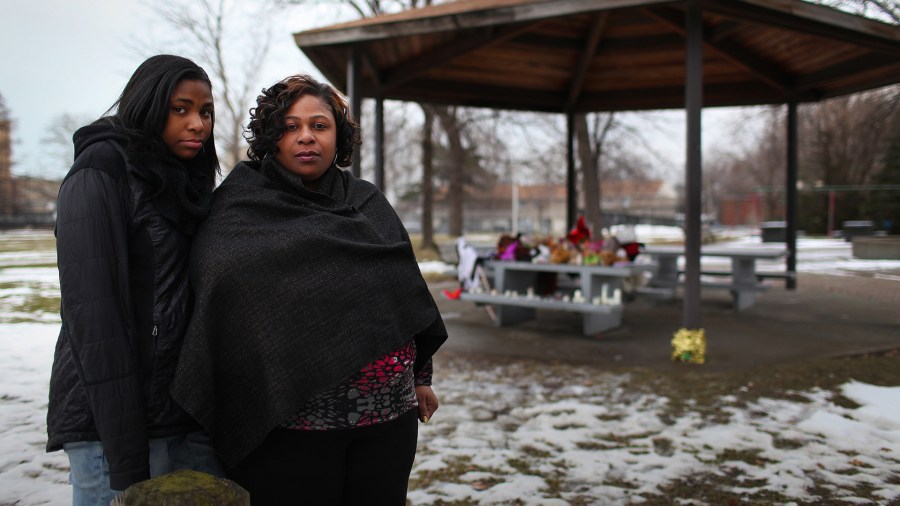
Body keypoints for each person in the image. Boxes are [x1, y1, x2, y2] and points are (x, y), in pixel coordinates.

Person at [170, 74, 448, 505]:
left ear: (338, 136)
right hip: (291, 426)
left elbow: (401, 296)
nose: (306, 137)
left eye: (319, 125)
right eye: (290, 126)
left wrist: (421, 376)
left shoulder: (367, 202)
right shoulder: (240, 208)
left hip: (389, 421)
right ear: (271, 136)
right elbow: (221, 298)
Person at [47, 54, 225, 505]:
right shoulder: (100, 170)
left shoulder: (187, 181)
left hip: (180, 410)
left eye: (205, 112)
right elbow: (95, 320)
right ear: (147, 105)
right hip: (111, 421)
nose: (197, 124)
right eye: (180, 109)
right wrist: (125, 455)